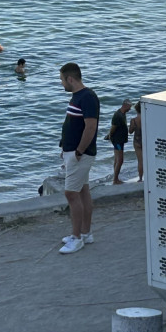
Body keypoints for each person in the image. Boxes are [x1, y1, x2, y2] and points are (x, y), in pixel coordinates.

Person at [58, 63, 100, 254]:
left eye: (62, 80)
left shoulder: (87, 97)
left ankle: (76, 238)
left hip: (80, 154)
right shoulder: (77, 97)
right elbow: (72, 125)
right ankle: (86, 233)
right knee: (82, 191)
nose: (61, 84)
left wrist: (79, 151)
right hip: (73, 151)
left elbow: (90, 127)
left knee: (71, 194)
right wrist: (64, 147)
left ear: (70, 79)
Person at [107, 99, 131, 184]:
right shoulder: (118, 115)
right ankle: (115, 180)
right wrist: (110, 136)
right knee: (120, 160)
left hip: (120, 140)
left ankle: (115, 178)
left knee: (117, 159)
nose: (130, 109)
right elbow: (113, 128)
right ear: (125, 105)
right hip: (117, 141)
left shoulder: (123, 114)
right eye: (129, 107)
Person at [130, 100, 144, 182]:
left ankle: (140, 178)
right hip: (145, 141)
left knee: (140, 161)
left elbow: (130, 131)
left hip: (137, 141)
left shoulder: (133, 120)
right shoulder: (146, 119)